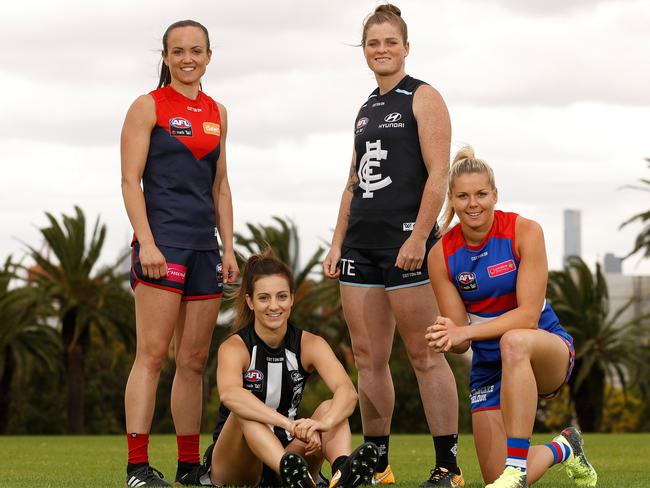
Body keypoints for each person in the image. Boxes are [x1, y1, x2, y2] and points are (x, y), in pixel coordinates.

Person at [322, 4, 461, 487]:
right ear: (364, 51)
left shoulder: (424, 97)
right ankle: (377, 464)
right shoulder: (365, 109)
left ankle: (448, 467)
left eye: (389, 42)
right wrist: (337, 241)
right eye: (373, 43)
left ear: (406, 46)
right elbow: (352, 182)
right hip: (361, 245)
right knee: (367, 357)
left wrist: (420, 237)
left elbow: (439, 174)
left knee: (425, 355)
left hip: (409, 245)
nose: (381, 50)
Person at [425, 146, 598, 488]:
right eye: (463, 196)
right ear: (452, 200)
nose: (473, 204)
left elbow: (529, 317)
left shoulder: (525, 231)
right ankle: (565, 447)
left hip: (544, 350)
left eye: (481, 194)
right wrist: (449, 336)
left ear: (495, 194)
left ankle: (516, 467)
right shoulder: (440, 255)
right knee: (493, 478)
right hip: (489, 365)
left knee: (515, 340)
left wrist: (465, 334)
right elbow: (460, 343)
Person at [120, 20, 239, 487]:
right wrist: (146, 241)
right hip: (161, 245)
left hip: (203, 249)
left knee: (193, 361)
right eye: (178, 51)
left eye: (196, 50)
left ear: (209, 55)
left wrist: (228, 248)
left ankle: (190, 467)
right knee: (151, 357)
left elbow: (221, 185)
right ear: (166, 57)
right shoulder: (147, 106)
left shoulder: (218, 113)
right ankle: (137, 466)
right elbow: (130, 181)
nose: (187, 58)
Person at [200, 249, 378, 488]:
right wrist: (290, 425)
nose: (274, 306)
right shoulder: (234, 346)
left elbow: (348, 393)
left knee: (329, 407)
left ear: (292, 298)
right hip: (238, 462)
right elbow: (231, 395)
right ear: (250, 301)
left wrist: (320, 425)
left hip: (290, 448)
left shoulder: (310, 344)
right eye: (264, 298)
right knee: (245, 411)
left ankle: (341, 473)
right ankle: (291, 471)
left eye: (281, 296)